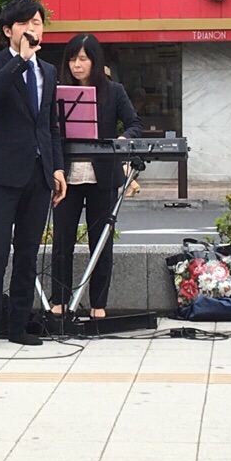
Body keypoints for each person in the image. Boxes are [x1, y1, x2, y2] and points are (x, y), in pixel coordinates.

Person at [0, 0, 67, 353]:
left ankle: (19, 325)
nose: (32, 28)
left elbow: (50, 126)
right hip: (2, 174)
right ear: (8, 30)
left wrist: (57, 168)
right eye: (24, 23)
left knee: (28, 253)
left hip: (38, 174)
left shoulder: (48, 71)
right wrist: (21, 60)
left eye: (37, 22)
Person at [50, 34, 142, 319]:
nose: (76, 65)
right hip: (67, 177)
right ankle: (59, 301)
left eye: (83, 59)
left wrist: (122, 139)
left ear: (95, 61)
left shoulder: (114, 91)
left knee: (101, 242)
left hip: (103, 176)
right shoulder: (57, 92)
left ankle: (98, 304)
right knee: (61, 241)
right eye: (72, 59)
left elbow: (134, 124)